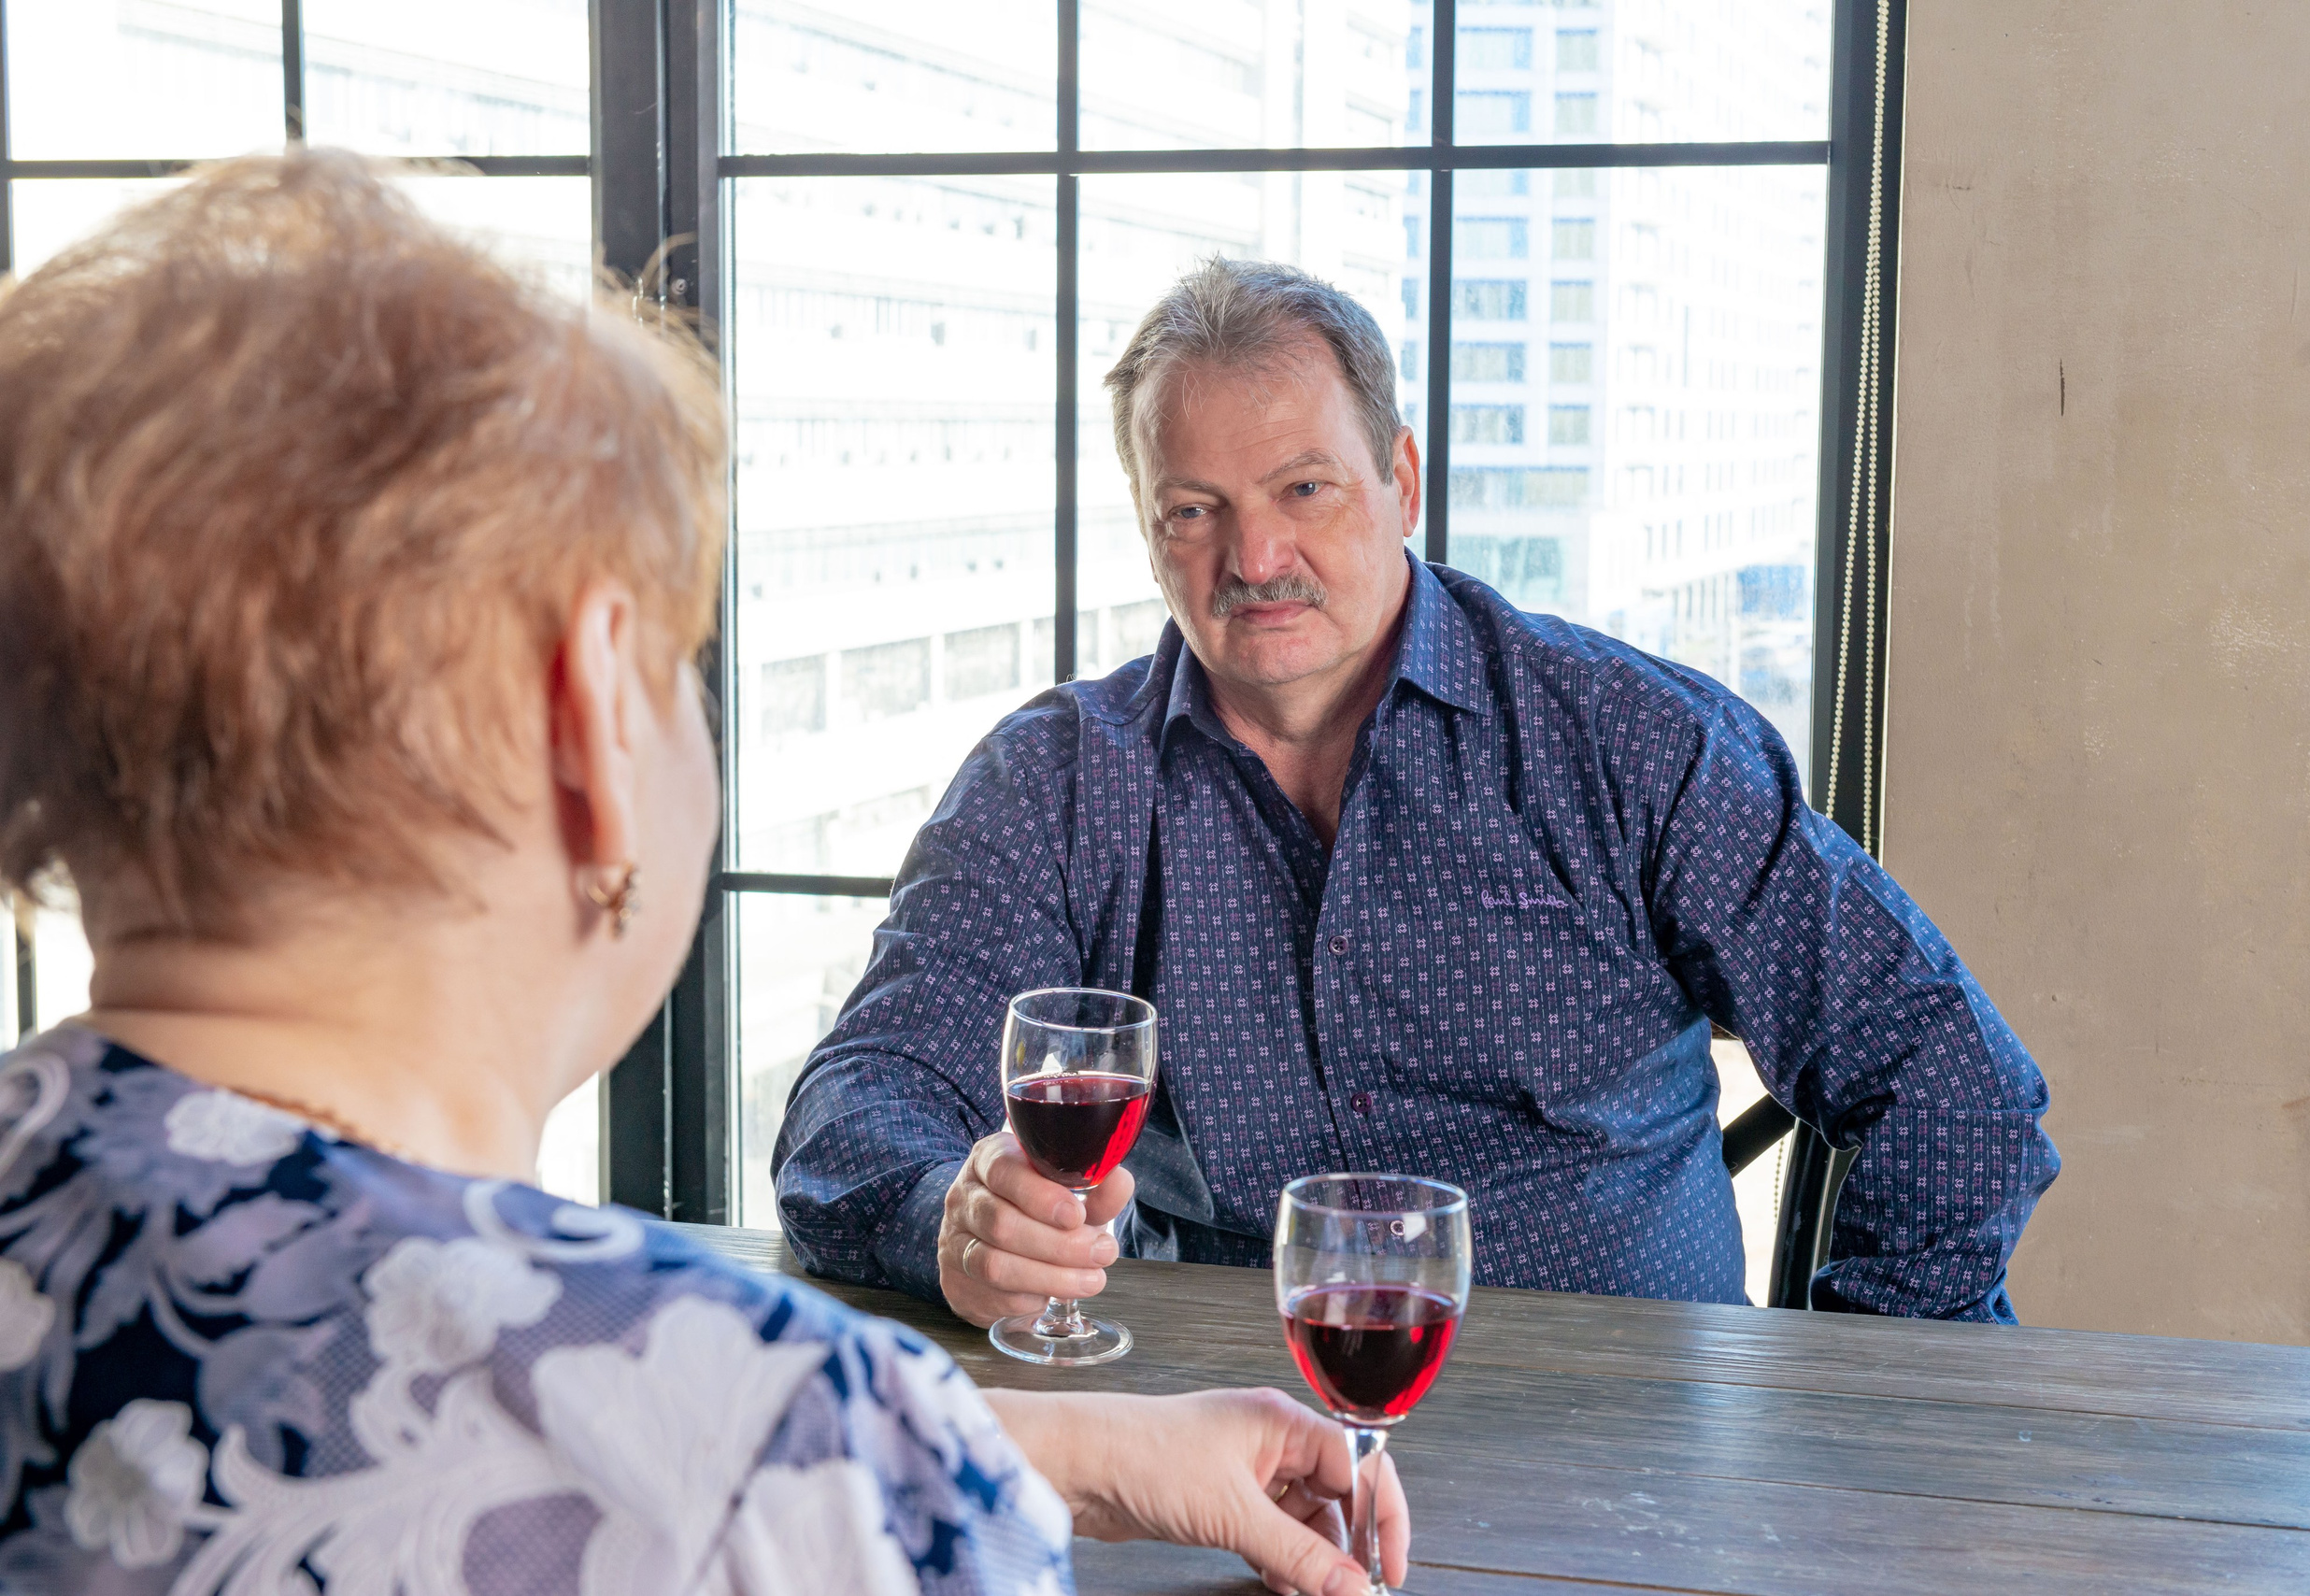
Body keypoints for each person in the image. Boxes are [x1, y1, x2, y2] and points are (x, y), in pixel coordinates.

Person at [0, 155, 1405, 1596]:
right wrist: (876, 1454)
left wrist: (1006, 1443)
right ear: (594, 716)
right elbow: (687, 1458)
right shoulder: (784, 1462)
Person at [777, 257, 2061, 1330]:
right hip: (1228, 1461)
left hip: (1630, 1474)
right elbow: (856, 1107)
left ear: (1402, 477)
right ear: (1146, 525)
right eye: (1193, 511)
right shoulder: (1059, 779)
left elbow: (1955, 1083)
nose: (1254, 557)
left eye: (1304, 489)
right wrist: (948, 1216)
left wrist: (1851, 1404)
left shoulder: (1625, 739)